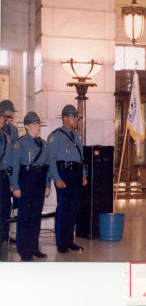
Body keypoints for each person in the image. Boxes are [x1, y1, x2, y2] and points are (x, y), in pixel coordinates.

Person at [10, 112, 50, 261]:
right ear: (26, 126)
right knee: (24, 217)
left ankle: (34, 247)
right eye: (33, 124)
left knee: (35, 217)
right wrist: (15, 186)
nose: (37, 126)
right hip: (26, 180)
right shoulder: (19, 144)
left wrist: (47, 184)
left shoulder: (43, 144)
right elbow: (14, 167)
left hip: (39, 180)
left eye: (38, 124)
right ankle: (24, 249)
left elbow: (47, 166)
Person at [47, 104, 87, 253]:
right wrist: (56, 178)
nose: (76, 119)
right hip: (63, 174)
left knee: (74, 209)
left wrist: (83, 174)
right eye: (74, 116)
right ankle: (60, 242)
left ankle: (70, 240)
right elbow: (51, 160)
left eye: (76, 117)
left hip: (76, 174)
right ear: (65, 118)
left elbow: (81, 158)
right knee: (63, 208)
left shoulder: (76, 136)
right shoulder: (55, 136)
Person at [0, 109, 13, 243]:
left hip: (4, 175)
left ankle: (3, 236)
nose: (3, 120)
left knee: (4, 208)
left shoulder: (5, 135)